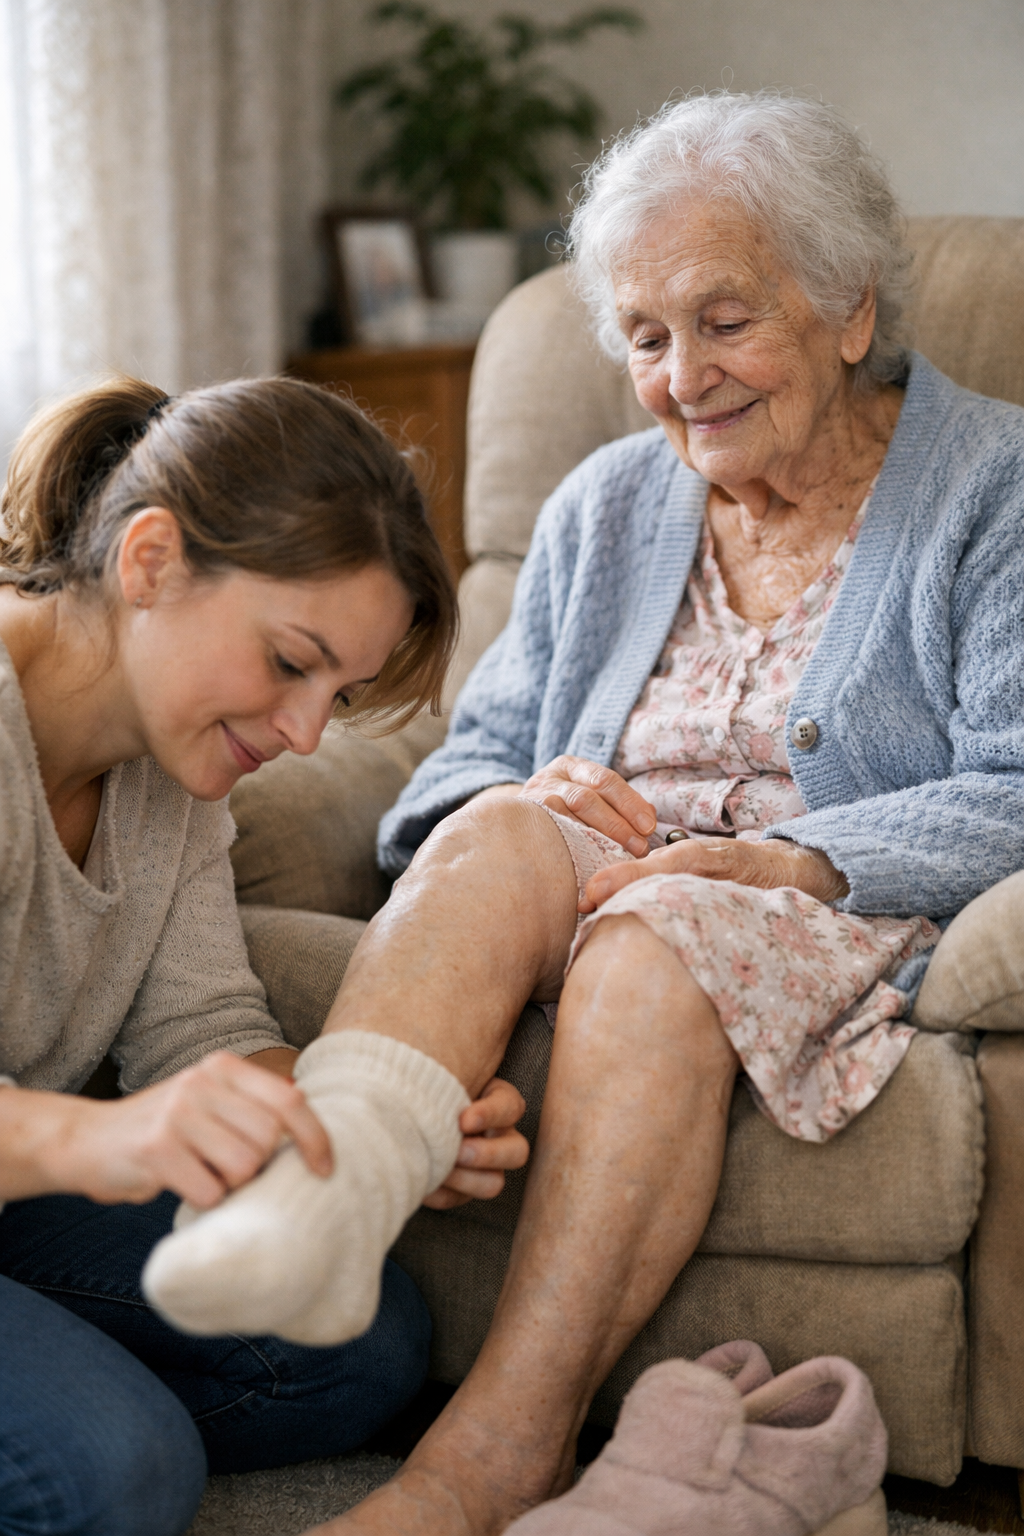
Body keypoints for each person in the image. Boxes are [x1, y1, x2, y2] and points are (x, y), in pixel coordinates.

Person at [142, 94, 1024, 1536]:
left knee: (657, 935)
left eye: (724, 321)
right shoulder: (606, 505)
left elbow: (1017, 780)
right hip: (593, 881)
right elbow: (447, 780)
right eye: (646, 336)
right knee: (497, 829)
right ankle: (328, 1194)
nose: (680, 377)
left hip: (827, 908)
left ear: (849, 310)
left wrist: (799, 852)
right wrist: (521, 794)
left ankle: (489, 1458)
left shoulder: (998, 487)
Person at [0, 375, 529, 1536]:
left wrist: (380, 1121)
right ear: (150, 562)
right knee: (118, 1471)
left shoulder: (169, 775)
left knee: (360, 1346)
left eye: (332, 693)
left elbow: (202, 1034)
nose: (299, 734)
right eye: (291, 661)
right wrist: (100, 1138)